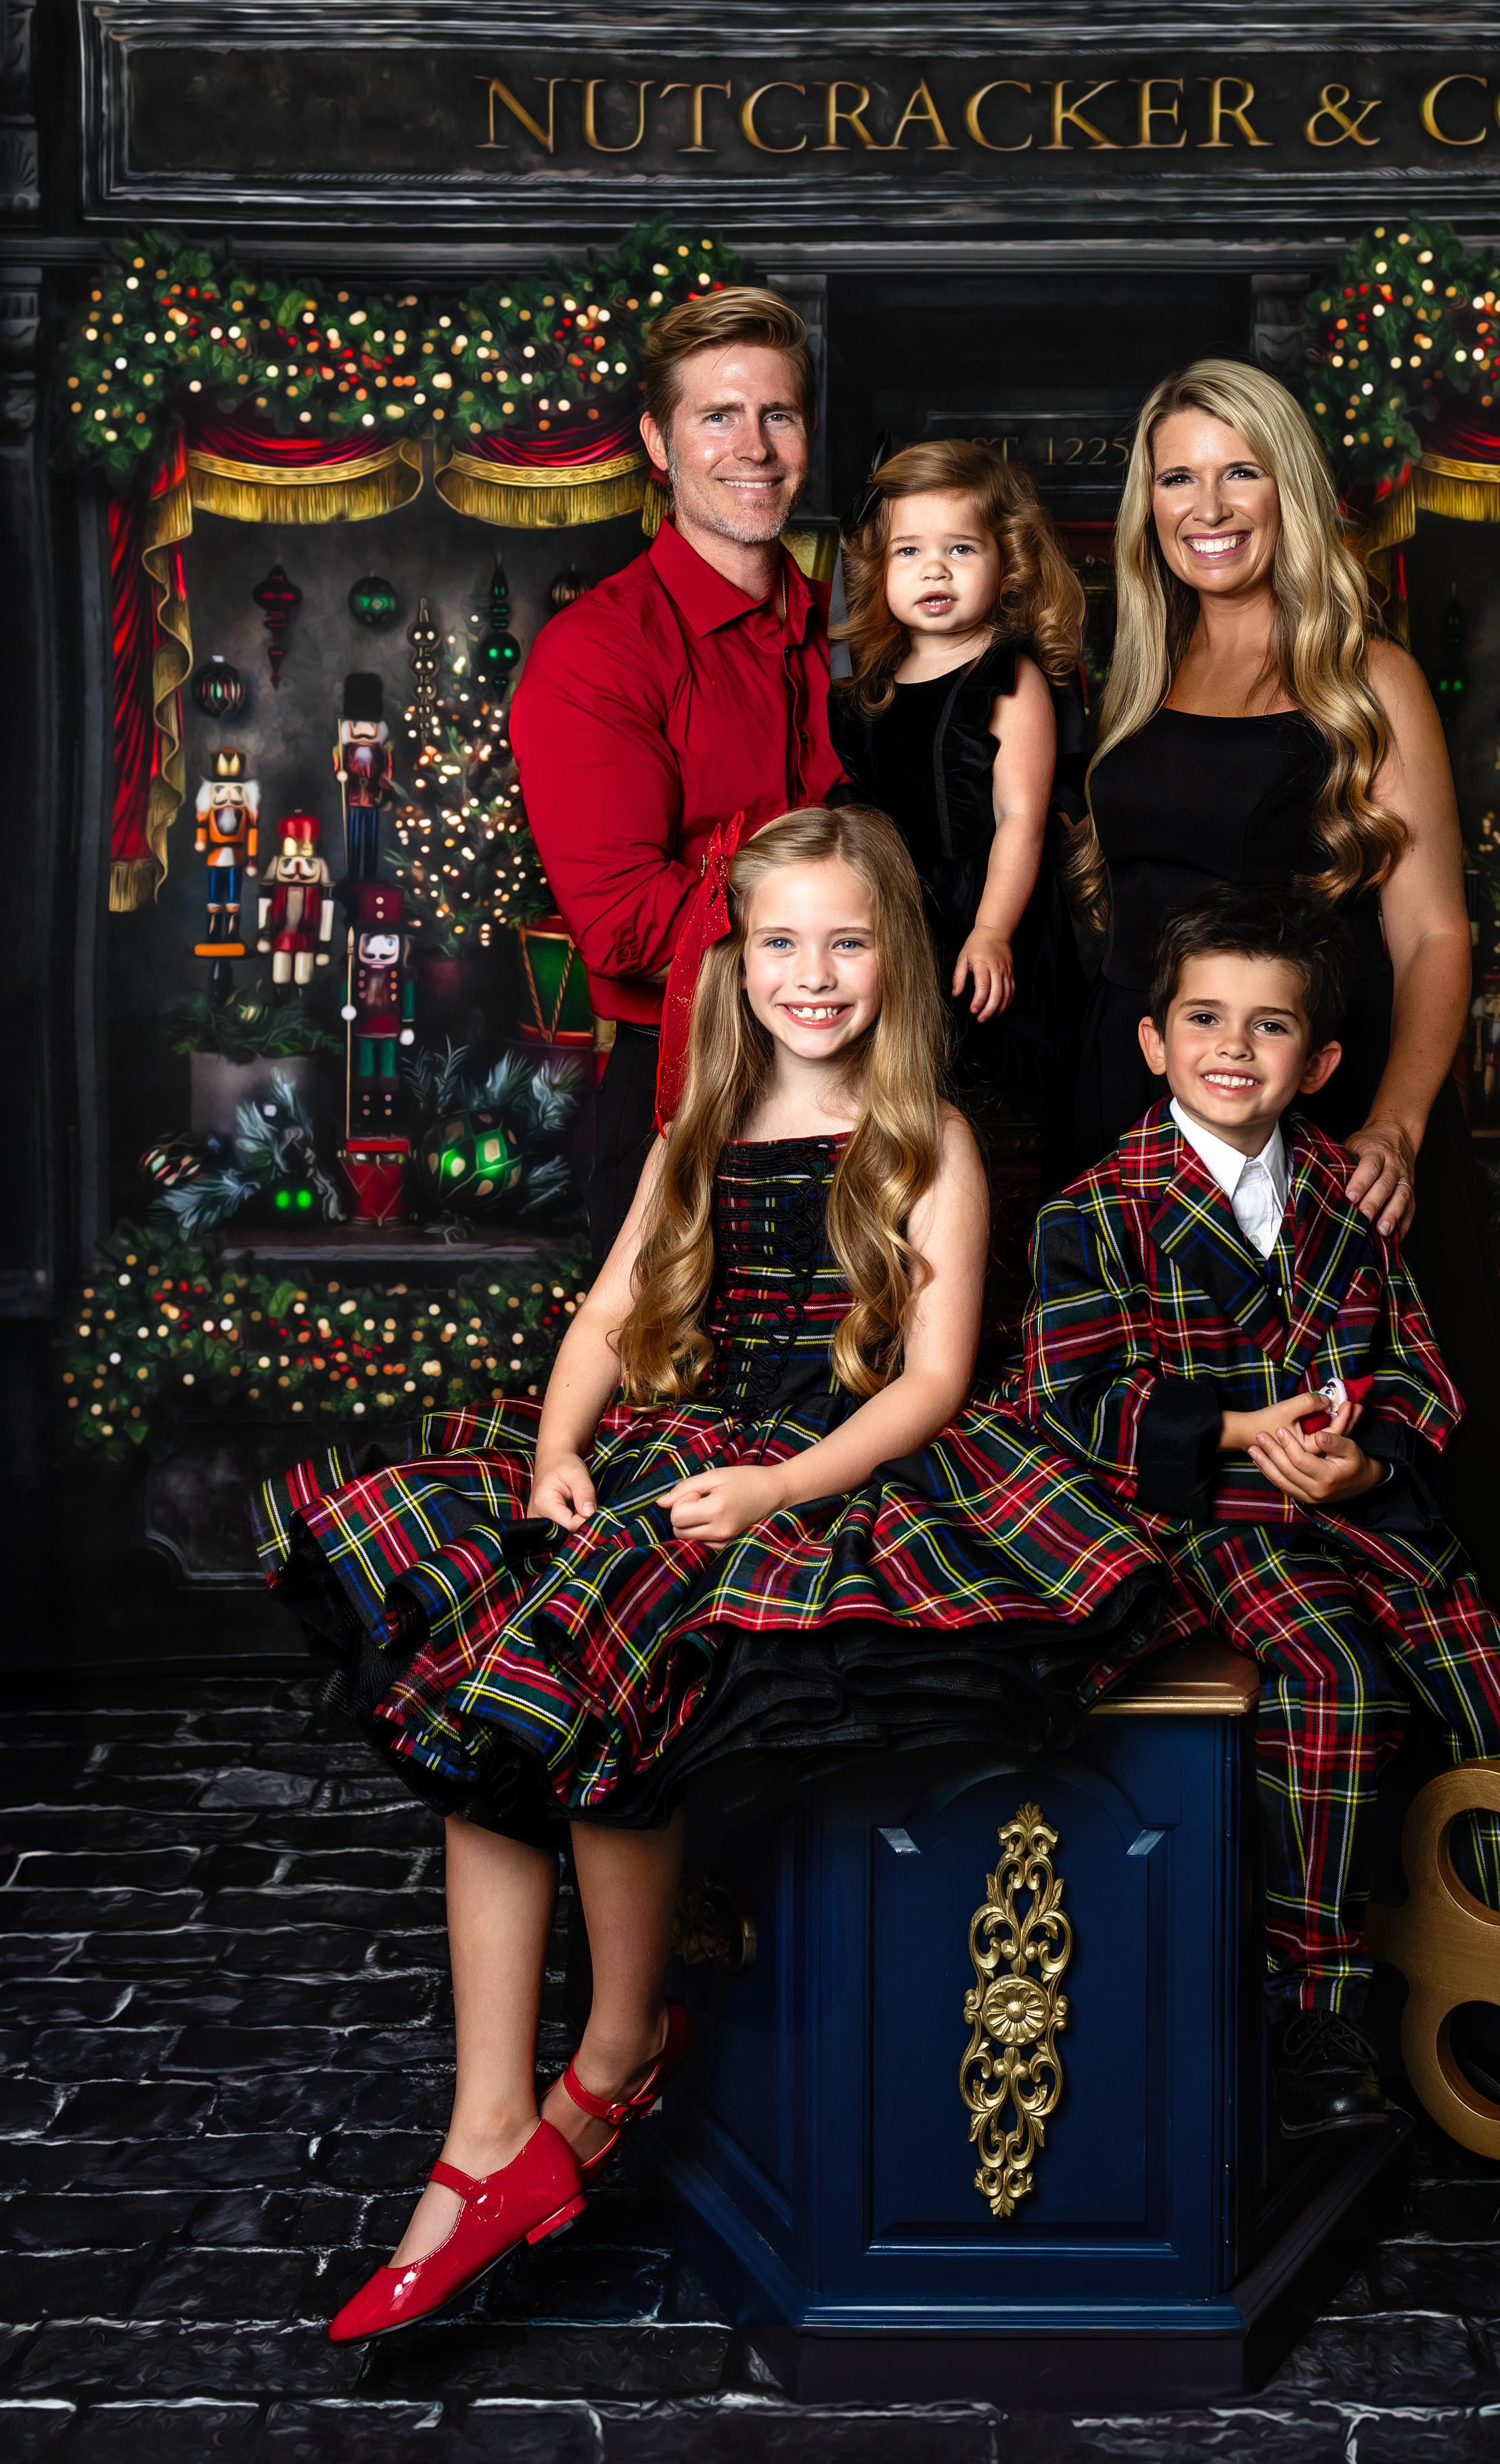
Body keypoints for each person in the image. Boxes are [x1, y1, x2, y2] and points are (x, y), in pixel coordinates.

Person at [254, 810, 1168, 2343]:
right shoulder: (694, 1133)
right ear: (734, 969)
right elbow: (608, 1320)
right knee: (504, 1671)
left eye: (847, 942)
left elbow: (930, 1381)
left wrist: (780, 1487)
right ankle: (487, 2125)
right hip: (681, 1456)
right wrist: (558, 1445)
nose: (811, 975)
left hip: (827, 1469)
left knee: (607, 1636)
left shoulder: (925, 1139)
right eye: (779, 945)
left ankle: (609, 2059)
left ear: (898, 962)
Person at [1066, 356, 1500, 2065]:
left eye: (1239, 477)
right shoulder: (1127, 675)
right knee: (1172, 1495)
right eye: (1176, 478)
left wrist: (1401, 1123)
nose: (1207, 511)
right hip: (1148, 1142)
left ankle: (1480, 1929)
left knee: (1406, 1539)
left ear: (1292, 489)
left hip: (1333, 1151)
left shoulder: (1362, 675)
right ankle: (1202, 1923)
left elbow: (1431, 934)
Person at [1019, 887, 1500, 2139]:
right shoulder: (1094, 1212)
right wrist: (1238, 1432)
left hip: (1364, 1507)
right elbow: (1074, 1398)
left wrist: (1370, 1461)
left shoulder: (1347, 1194)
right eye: (1203, 1017)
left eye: (1266, 1028)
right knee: (1338, 1680)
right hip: (1219, 1523)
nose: (1230, 1048)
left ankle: (1495, 1974)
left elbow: (1420, 1367)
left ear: (1317, 1062)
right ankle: (1316, 2003)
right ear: (1152, 1042)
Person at [512, 286, 847, 1264]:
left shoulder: (858, 625)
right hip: (691, 1097)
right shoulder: (598, 655)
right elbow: (620, 927)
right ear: (659, 444)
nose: (754, 447)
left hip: (886, 1098)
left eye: (777, 415)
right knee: (684, 1415)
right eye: (718, 416)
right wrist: (852, 940)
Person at [829, 438, 1087, 1151]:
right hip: (900, 921)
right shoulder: (874, 681)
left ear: (1005, 561)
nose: (933, 568)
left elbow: (1020, 818)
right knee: (903, 1106)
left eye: (961, 549)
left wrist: (993, 929)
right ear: (879, 569)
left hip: (987, 920)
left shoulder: (1008, 676)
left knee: (990, 1111)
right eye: (907, 552)